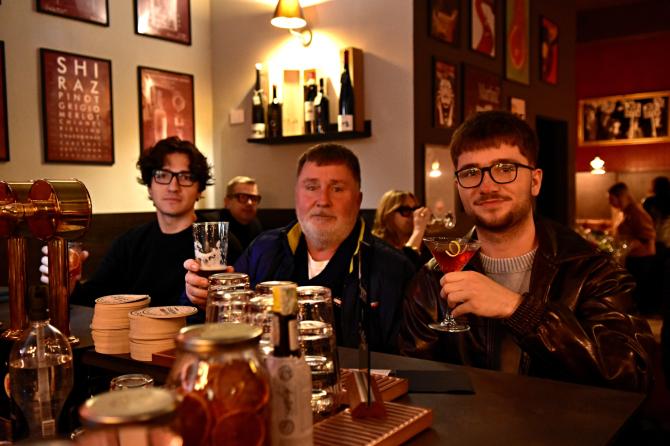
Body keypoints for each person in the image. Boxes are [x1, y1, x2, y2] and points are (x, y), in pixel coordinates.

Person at [399, 111, 653, 393]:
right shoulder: (431, 281)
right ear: (459, 187)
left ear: (535, 181)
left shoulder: (592, 270)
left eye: (504, 169)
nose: (487, 186)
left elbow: (632, 375)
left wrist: (518, 309)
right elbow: (417, 386)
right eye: (471, 172)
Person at [184, 143, 416, 353]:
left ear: (358, 200)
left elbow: (408, 363)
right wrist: (204, 301)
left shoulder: (394, 269)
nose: (323, 200)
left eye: (337, 189)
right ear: (296, 196)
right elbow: (222, 329)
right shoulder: (264, 249)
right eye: (311, 187)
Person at [41, 137, 241, 307]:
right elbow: (94, 300)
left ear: (199, 189)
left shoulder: (217, 244)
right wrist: (69, 286)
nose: (173, 187)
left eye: (186, 177)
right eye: (162, 175)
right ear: (149, 187)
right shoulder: (129, 244)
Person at [608, 182, 657, 314]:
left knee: (639, 291)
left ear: (621, 197)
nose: (610, 202)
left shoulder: (636, 212)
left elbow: (647, 236)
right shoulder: (625, 212)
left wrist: (626, 247)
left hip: (642, 258)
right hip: (633, 257)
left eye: (611, 199)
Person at [371, 190, 432, 268]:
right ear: (388, 215)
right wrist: (418, 230)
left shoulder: (424, 243)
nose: (414, 216)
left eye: (415, 209)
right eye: (406, 210)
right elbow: (401, 269)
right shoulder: (376, 246)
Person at [215, 176, 263, 250]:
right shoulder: (214, 226)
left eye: (254, 198)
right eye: (243, 197)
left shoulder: (256, 225)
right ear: (227, 202)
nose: (250, 203)